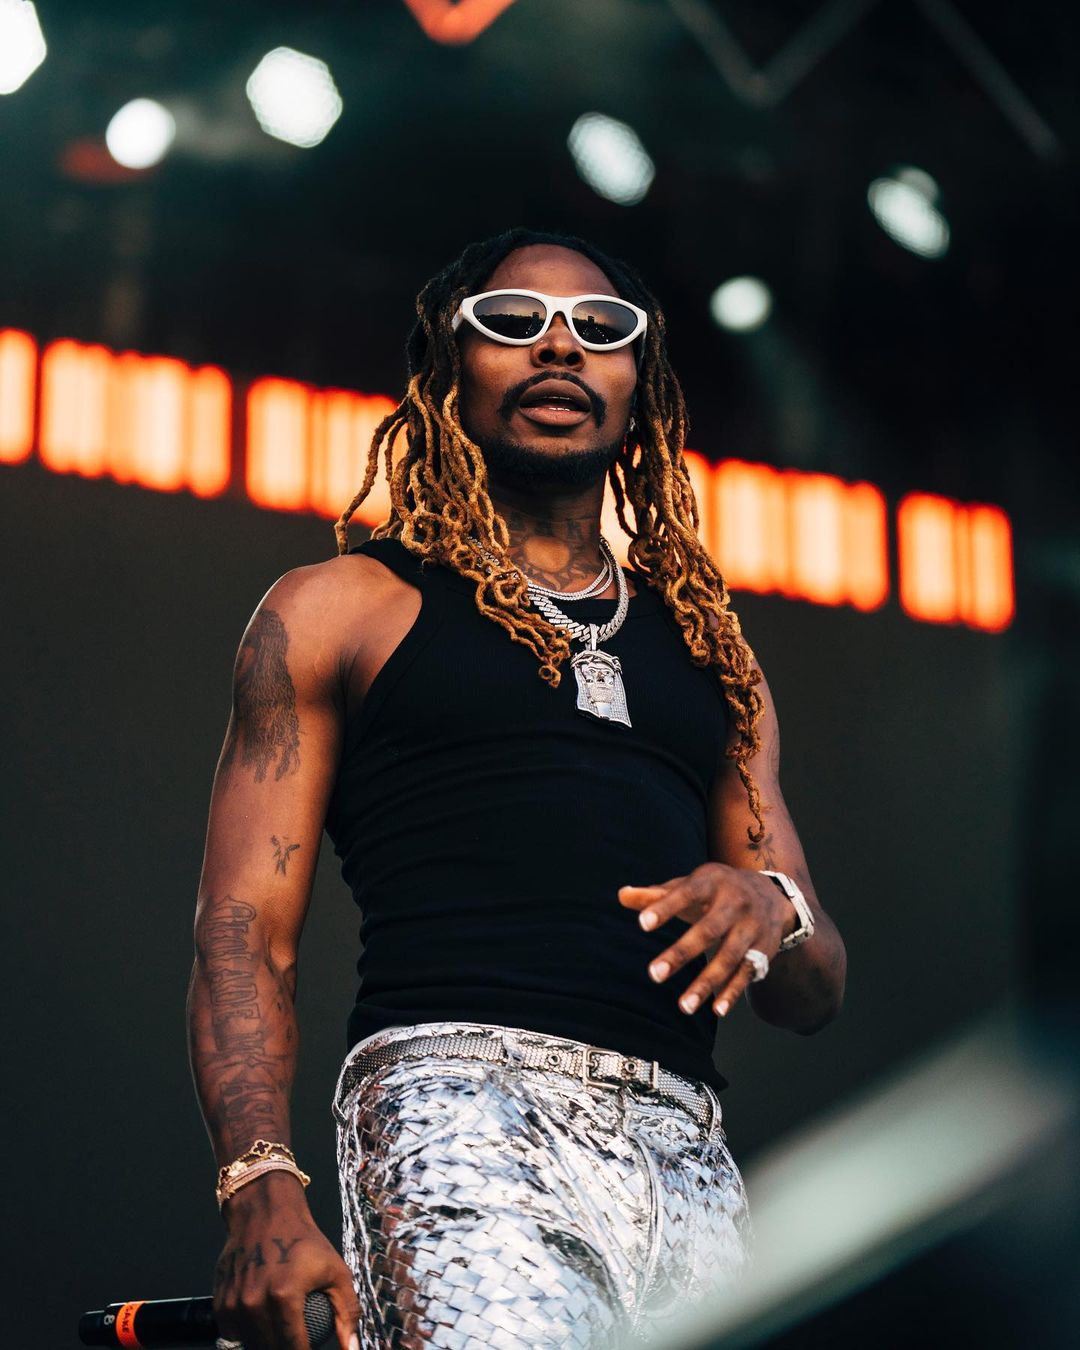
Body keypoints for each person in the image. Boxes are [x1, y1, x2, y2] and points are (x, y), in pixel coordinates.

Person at [187, 227, 847, 1350]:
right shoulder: (341, 608)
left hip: (686, 1146)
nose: (559, 347)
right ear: (451, 365)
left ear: (639, 380)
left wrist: (769, 904)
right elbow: (243, 930)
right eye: (511, 322)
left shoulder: (715, 660)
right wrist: (259, 1184)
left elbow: (812, 990)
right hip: (457, 1107)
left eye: (600, 328)